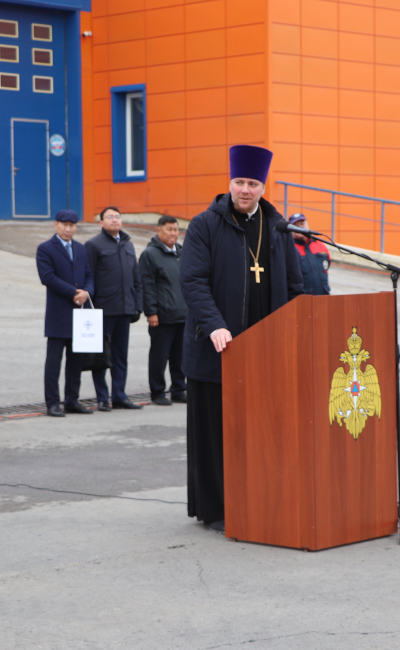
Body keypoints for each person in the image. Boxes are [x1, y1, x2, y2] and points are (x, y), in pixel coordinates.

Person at [181, 144, 304, 532]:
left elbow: (296, 286)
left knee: (260, 432)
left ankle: (260, 501)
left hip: (266, 351)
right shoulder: (204, 225)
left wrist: (298, 331)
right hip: (216, 347)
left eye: (252, 183)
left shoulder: (278, 228)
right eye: (239, 182)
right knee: (217, 434)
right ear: (230, 183)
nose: (245, 190)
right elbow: (193, 281)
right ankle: (217, 509)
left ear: (263, 187)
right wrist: (215, 324)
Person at [36, 209, 95, 417]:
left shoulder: (80, 248)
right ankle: (52, 403)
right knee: (54, 361)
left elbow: (89, 275)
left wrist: (87, 292)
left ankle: (72, 400)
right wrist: (73, 293)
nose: (68, 229)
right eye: (64, 225)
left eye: (72, 225)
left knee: (76, 361)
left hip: (79, 312)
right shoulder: (45, 249)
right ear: (56, 225)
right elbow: (48, 278)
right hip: (58, 313)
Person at [85, 206, 144, 411]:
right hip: (103, 309)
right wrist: (90, 308)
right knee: (101, 356)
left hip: (125, 310)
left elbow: (136, 278)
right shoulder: (93, 245)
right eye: (109, 217)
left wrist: (138, 305)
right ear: (101, 222)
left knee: (120, 356)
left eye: (117, 217)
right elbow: (89, 277)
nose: (114, 220)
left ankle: (119, 396)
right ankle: (102, 397)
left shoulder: (128, 245)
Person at [138, 215, 187, 406]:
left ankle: (178, 389)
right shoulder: (150, 255)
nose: (173, 233)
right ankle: (157, 392)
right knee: (159, 356)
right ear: (158, 230)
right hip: (162, 316)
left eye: (176, 229)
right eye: (169, 229)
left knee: (179, 356)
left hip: (182, 315)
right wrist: (151, 312)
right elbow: (147, 286)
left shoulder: (181, 252)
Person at [287, 213, 331, 296]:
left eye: (302, 224)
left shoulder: (320, 245)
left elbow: (327, 264)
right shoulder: (290, 248)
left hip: (323, 297)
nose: (300, 227)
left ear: (307, 224)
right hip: (302, 299)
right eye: (296, 225)